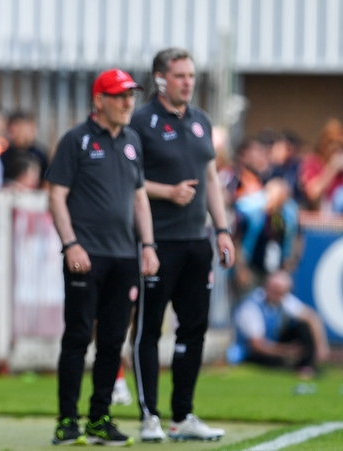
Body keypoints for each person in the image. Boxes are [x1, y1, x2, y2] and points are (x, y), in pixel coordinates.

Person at [129, 47, 235, 442]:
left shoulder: (201, 122)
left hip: (196, 242)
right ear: (160, 79)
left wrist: (222, 229)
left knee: (194, 329)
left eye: (191, 75)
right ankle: (148, 416)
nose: (188, 82)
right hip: (158, 242)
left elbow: (210, 177)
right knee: (148, 331)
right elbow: (128, 179)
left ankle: (183, 415)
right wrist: (166, 191)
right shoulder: (141, 121)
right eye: (179, 76)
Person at [47, 68, 158, 447]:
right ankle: (67, 420)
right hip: (86, 255)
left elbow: (139, 197)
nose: (129, 103)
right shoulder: (76, 140)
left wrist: (148, 245)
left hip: (125, 257)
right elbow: (56, 195)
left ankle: (99, 418)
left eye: (131, 96)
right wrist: (70, 244)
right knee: (78, 337)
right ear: (99, 100)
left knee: (112, 341)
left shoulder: (132, 141)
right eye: (120, 95)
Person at [229, 271, 330, 377]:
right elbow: (256, 345)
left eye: (281, 292)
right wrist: (285, 351)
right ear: (267, 287)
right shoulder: (251, 307)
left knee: (303, 328)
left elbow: (311, 317)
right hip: (251, 352)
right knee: (273, 362)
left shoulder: (282, 299)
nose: (278, 295)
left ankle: (306, 366)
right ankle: (290, 365)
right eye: (275, 291)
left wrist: (321, 347)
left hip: (273, 344)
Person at [233, 178, 302, 297]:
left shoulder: (287, 214)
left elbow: (296, 237)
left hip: (274, 269)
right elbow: (236, 240)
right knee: (247, 302)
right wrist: (241, 269)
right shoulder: (251, 211)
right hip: (251, 266)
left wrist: (291, 262)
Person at [299, 118, 343, 211]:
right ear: (323, 142)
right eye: (331, 142)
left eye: (339, 144)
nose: (335, 147)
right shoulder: (313, 162)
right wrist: (332, 168)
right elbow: (313, 193)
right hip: (324, 217)